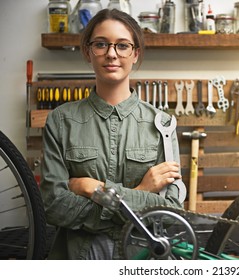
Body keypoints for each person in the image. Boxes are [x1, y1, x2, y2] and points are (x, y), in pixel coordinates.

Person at [40, 9, 183, 260]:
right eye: (101, 44)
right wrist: (142, 190)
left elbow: (169, 213)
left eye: (123, 45)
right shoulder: (61, 121)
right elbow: (54, 207)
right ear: (87, 51)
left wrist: (93, 188)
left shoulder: (162, 124)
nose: (111, 53)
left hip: (141, 260)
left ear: (135, 53)